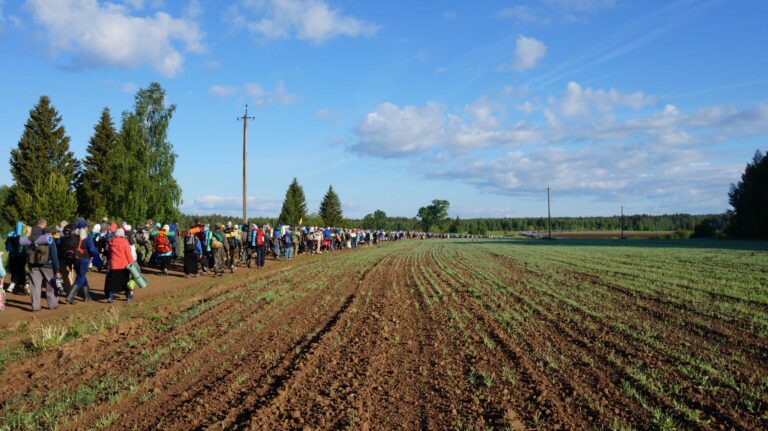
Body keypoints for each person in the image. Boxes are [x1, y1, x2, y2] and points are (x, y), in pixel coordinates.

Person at [20, 219, 61, 312]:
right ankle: (53, 304)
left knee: (34, 286)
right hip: (48, 265)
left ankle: (35, 307)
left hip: (33, 265)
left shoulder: (29, 239)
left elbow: (26, 253)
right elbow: (54, 257)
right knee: (51, 285)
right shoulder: (48, 240)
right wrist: (57, 270)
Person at [66, 219, 101, 304]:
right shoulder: (87, 236)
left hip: (74, 259)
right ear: (85, 227)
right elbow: (92, 249)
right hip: (84, 259)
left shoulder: (73, 235)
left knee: (82, 275)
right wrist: (96, 254)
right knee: (81, 277)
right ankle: (70, 296)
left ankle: (87, 296)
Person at [105, 228, 134, 303]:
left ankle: (110, 297)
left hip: (114, 265)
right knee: (125, 281)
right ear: (122, 234)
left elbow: (109, 253)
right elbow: (128, 254)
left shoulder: (111, 242)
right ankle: (128, 296)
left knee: (113, 282)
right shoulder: (124, 242)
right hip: (123, 265)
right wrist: (131, 263)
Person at [4, 228, 28, 294]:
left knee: (14, 270)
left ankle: (14, 285)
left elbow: (7, 247)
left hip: (12, 256)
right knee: (21, 270)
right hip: (21, 256)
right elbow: (26, 246)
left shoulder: (10, 235)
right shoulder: (24, 235)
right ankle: (18, 286)